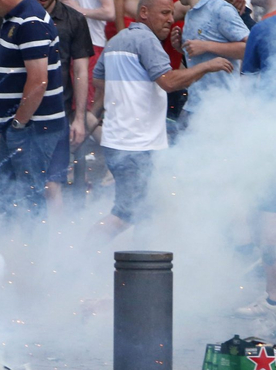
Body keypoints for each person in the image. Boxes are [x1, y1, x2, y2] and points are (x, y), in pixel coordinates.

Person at [85, 0, 233, 246]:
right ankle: (78, 261)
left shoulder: (116, 42)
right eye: (164, 13)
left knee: (148, 211)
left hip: (120, 142)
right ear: (144, 13)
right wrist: (208, 65)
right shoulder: (146, 40)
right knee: (126, 214)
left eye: (172, 14)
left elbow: (100, 82)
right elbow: (169, 81)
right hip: (135, 145)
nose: (170, 19)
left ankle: (144, 269)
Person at [0, 0, 68, 224]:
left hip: (30, 129)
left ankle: (32, 256)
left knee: (28, 201)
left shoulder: (30, 21)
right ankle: (11, 254)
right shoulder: (15, 18)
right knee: (6, 201)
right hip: (21, 128)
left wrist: (18, 124)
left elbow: (39, 81)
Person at [231, 0, 276, 321]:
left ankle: (273, 298)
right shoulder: (262, 31)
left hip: (267, 139)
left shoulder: (262, 30)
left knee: (270, 222)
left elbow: (245, 95)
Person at [37, 0, 93, 217]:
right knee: (17, 182)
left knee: (52, 185)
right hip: (19, 114)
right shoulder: (14, 12)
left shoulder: (74, 19)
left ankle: (54, 243)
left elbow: (81, 71)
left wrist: (79, 118)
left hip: (57, 114)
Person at [170, 0, 249, 137]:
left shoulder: (220, 9)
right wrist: (181, 48)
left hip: (221, 110)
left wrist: (207, 46)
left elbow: (249, 48)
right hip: (193, 106)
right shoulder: (190, 14)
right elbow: (201, 56)